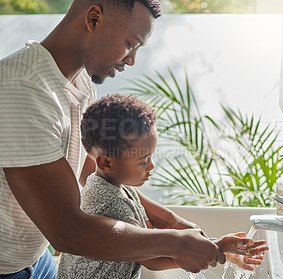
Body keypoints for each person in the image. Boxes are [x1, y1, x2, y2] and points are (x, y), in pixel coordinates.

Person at [0, 0, 258, 277]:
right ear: (94, 18)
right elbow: (67, 231)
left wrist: (171, 222)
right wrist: (175, 242)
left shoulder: (80, 83)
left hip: (38, 262)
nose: (132, 59)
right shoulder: (23, 89)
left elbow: (93, 170)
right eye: (130, 43)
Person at [56, 94, 267, 278]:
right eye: (143, 160)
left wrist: (217, 249)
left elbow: (161, 227)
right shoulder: (111, 204)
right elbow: (152, 259)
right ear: (106, 163)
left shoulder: (115, 186)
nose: (152, 166)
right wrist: (218, 248)